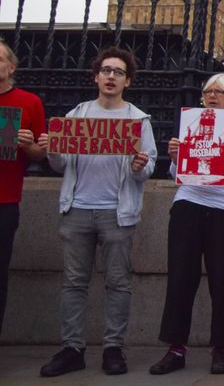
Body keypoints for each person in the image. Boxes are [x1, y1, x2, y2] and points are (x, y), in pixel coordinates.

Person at [38, 47, 157, 377]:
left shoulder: (138, 119)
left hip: (117, 213)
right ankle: (72, 348)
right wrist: (54, 152)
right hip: (77, 209)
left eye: (118, 72)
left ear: (127, 81)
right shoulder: (76, 116)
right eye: (106, 70)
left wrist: (139, 166)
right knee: (74, 283)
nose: (111, 76)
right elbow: (60, 165)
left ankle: (113, 348)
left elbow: (147, 168)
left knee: (118, 284)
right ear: (96, 76)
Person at [149, 74, 224, 376]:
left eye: (219, 92)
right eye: (208, 91)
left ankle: (221, 347)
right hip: (189, 204)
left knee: (222, 282)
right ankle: (175, 348)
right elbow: (177, 175)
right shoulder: (192, 122)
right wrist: (174, 158)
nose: (212, 96)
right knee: (180, 279)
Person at [0, 40, 46, 337]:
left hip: (4, 201)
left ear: (11, 67)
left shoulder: (28, 103)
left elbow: (41, 153)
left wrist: (29, 145)